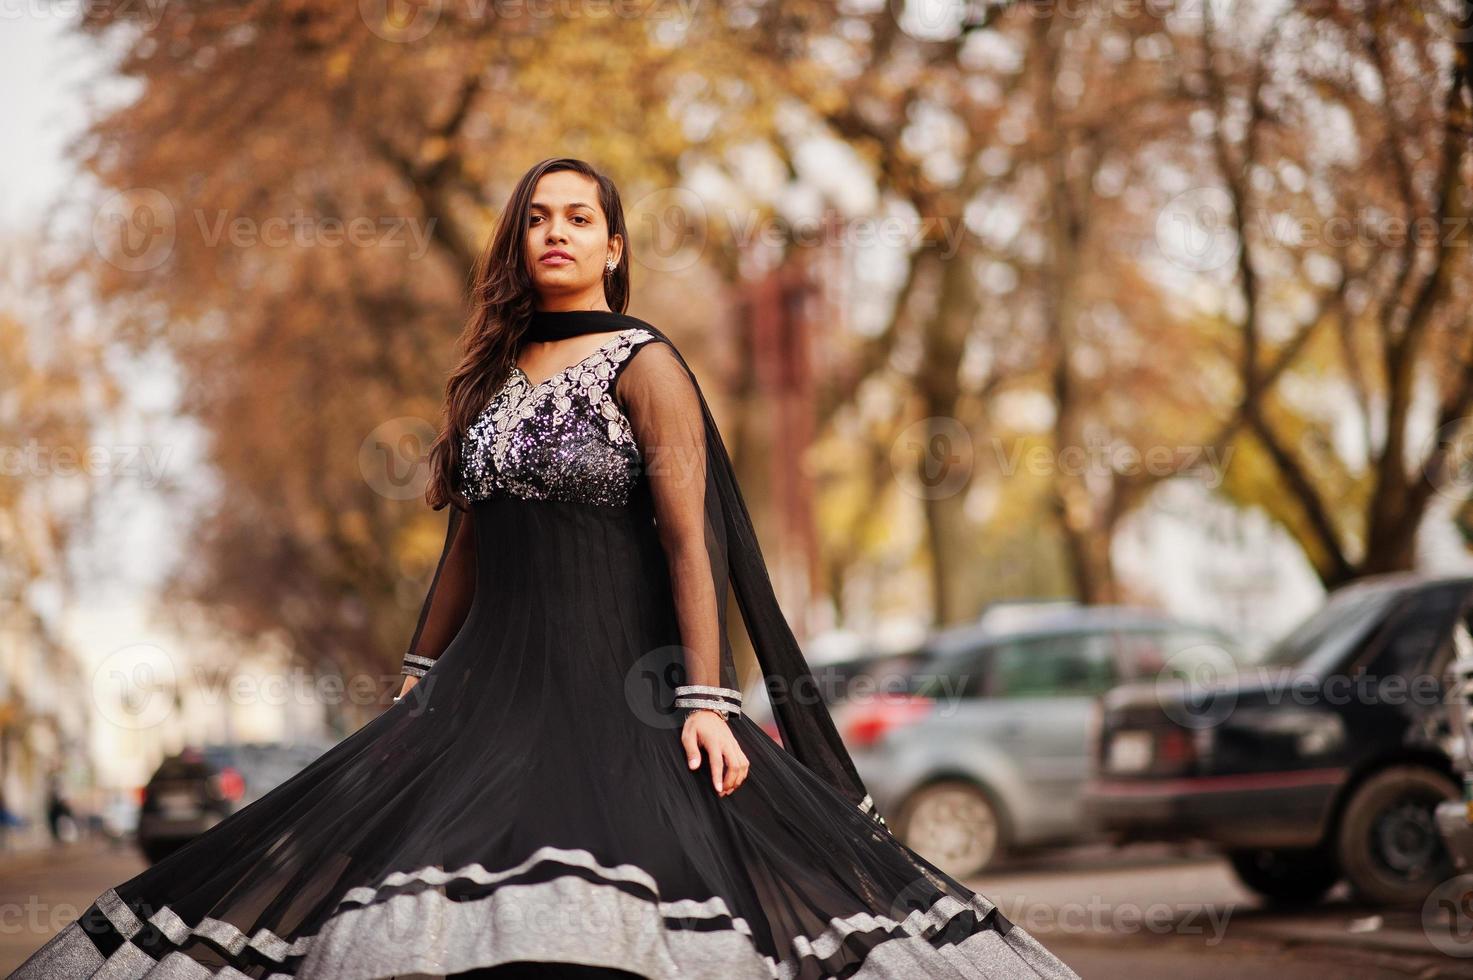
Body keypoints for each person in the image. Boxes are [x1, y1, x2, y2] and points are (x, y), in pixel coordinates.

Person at [13, 158, 1079, 979]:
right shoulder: (483, 377)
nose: (555, 231)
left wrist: (707, 700)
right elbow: (466, 543)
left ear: (613, 245)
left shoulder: (647, 362)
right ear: (519, 243)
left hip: (627, 691)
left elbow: (686, 539)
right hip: (483, 696)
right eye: (537, 216)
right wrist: (417, 679)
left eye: (577, 216)